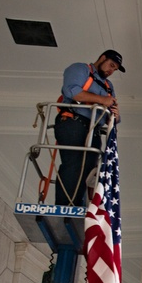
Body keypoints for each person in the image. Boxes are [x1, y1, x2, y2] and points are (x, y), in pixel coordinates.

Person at [54, 50, 124, 206]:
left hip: (94, 130)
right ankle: (64, 206)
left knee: (90, 169)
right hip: (73, 122)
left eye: (115, 69)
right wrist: (102, 100)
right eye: (111, 65)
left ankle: (77, 204)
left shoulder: (108, 86)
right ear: (102, 58)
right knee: (74, 163)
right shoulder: (81, 69)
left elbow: (109, 114)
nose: (111, 71)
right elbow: (72, 91)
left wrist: (116, 115)